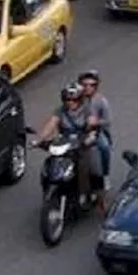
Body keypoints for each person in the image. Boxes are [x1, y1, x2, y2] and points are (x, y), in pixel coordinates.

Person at [34, 84, 104, 212]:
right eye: (67, 100)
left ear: (80, 100)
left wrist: (91, 134)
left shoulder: (87, 110)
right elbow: (51, 124)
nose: (70, 102)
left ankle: (97, 201)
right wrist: (39, 139)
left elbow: (92, 123)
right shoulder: (60, 111)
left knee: (94, 170)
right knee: (51, 164)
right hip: (65, 146)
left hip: (84, 146)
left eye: (74, 100)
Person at [78, 70, 112, 207]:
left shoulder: (101, 101)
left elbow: (107, 121)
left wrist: (95, 122)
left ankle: (105, 175)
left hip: (95, 132)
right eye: (84, 85)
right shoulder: (75, 99)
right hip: (78, 131)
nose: (87, 88)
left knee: (104, 148)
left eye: (91, 85)